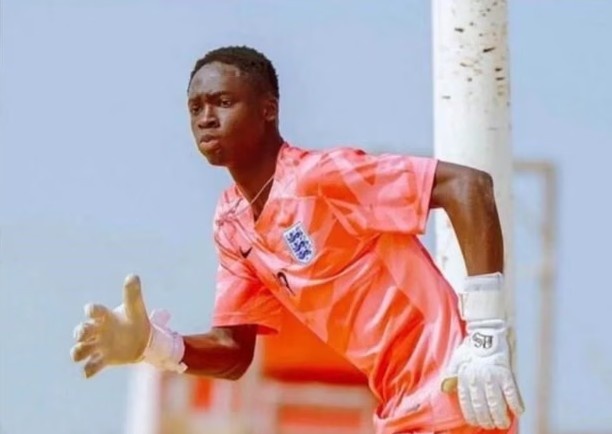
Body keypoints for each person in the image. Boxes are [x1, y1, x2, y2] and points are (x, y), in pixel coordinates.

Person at [70, 45, 524, 434]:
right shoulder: (232, 224)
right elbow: (233, 352)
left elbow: (468, 187)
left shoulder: (321, 177)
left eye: (223, 102)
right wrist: (153, 346)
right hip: (399, 409)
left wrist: (486, 334)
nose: (206, 118)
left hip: (456, 393)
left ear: (268, 109)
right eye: (195, 108)